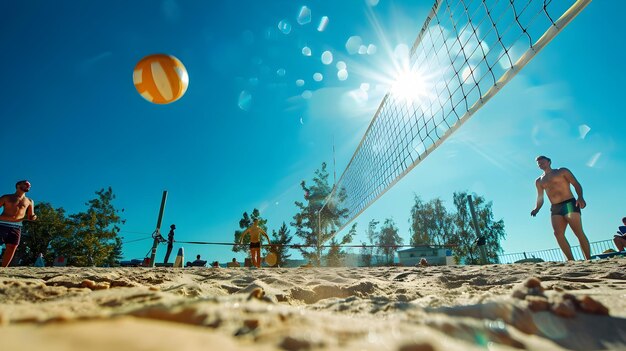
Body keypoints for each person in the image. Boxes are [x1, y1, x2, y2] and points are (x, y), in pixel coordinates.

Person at [530, 156, 591, 260]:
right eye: (539, 164)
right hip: (555, 207)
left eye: (542, 162)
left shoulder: (562, 171)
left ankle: (588, 259)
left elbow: (576, 184)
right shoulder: (539, 181)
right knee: (558, 234)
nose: (541, 165)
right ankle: (571, 260)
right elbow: (540, 197)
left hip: (569, 203)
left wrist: (580, 197)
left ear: (549, 162)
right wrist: (536, 209)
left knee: (578, 232)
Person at [1, 180, 37, 267]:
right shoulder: (6, 197)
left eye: (29, 185)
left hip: (16, 227)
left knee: (12, 247)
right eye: (25, 184)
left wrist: (34, 217)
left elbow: (31, 215)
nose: (28, 186)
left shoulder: (29, 201)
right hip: (1, 224)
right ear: (18, 185)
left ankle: (2, 269)